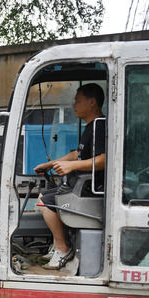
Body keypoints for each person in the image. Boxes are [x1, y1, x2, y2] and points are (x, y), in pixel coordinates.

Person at [33, 83, 106, 270]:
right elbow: (77, 154)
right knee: (43, 198)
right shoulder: (90, 126)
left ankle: (62, 248)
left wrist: (72, 166)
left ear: (91, 103)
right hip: (80, 184)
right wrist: (50, 164)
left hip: (92, 187)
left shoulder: (101, 126)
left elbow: (104, 160)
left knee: (45, 203)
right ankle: (59, 245)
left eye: (78, 101)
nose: (74, 105)